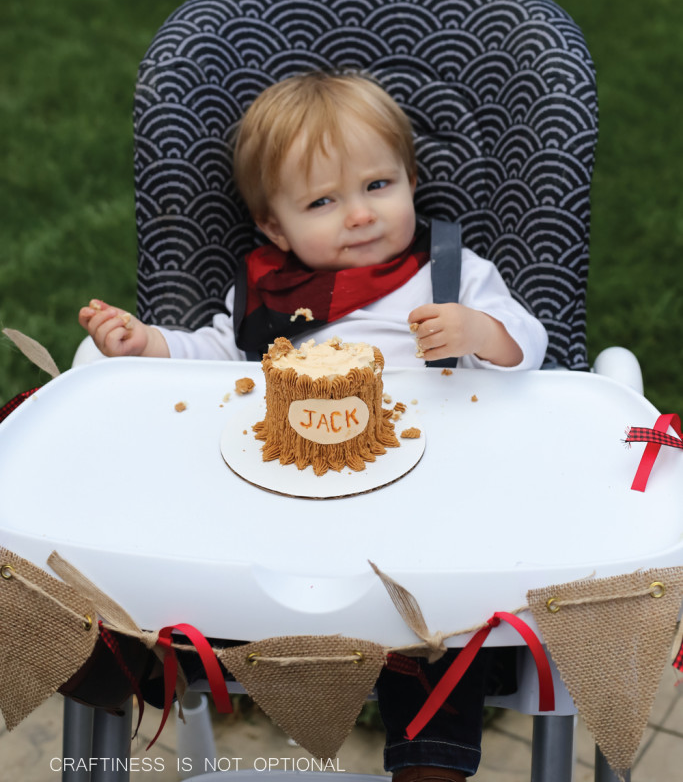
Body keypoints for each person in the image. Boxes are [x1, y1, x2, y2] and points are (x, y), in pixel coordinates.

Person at [78, 69, 548, 780]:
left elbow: (528, 346)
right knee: (175, 542)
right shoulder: (267, 294)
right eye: (323, 201)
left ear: (410, 182)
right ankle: (142, 651)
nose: (358, 215)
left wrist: (478, 331)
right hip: (287, 496)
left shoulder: (449, 275)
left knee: (425, 626)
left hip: (423, 503)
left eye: (377, 187)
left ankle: (430, 757)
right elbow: (216, 359)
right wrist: (148, 347)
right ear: (275, 226)